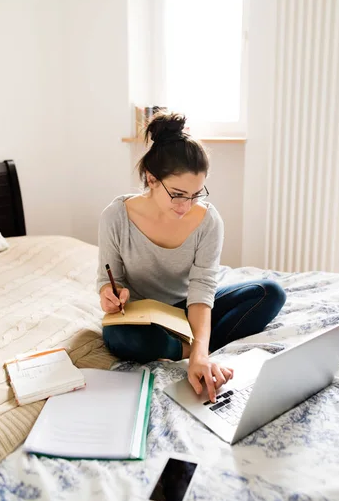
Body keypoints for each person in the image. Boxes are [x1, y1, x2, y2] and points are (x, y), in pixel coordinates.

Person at [97, 112, 286, 403]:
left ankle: (193, 348)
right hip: (145, 319)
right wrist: (109, 294)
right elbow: (109, 279)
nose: (187, 205)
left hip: (189, 309)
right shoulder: (115, 217)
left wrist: (198, 350)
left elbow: (202, 289)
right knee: (119, 337)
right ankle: (195, 349)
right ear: (151, 179)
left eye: (196, 194)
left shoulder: (208, 221)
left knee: (270, 293)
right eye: (178, 194)